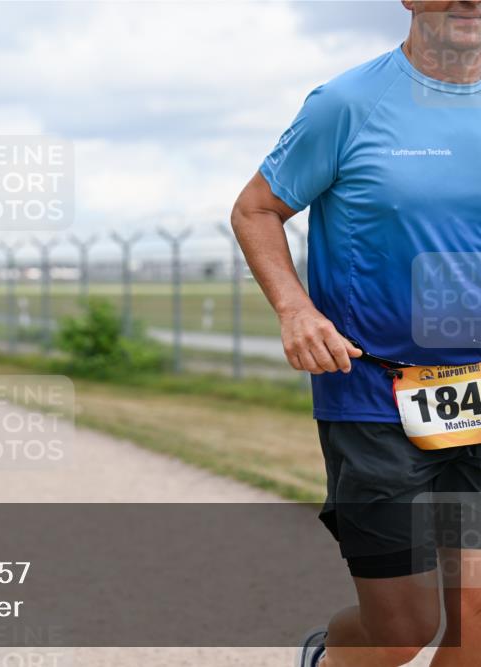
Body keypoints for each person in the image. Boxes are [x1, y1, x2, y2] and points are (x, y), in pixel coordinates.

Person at [230, 3, 481, 666]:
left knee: (477, 626)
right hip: (373, 396)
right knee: (403, 631)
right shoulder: (345, 104)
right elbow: (256, 208)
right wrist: (295, 310)